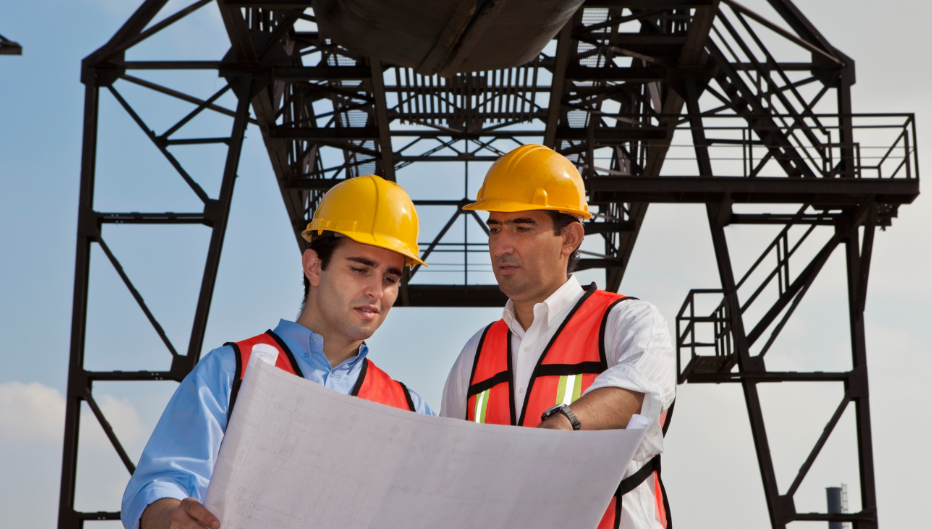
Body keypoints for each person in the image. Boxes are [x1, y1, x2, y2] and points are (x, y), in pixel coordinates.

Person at [122, 175, 436, 529]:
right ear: (314, 266)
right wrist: (169, 518)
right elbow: (159, 485)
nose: (376, 291)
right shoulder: (230, 373)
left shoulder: (413, 411)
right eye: (361, 269)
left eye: (391, 279)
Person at [440, 145, 676, 529]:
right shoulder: (474, 354)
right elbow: (447, 470)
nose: (502, 245)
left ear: (570, 238)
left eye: (522, 227)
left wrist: (563, 425)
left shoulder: (626, 321)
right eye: (495, 227)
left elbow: (639, 392)